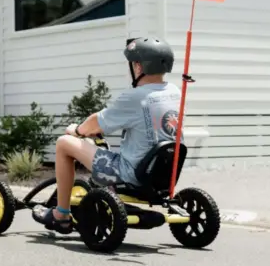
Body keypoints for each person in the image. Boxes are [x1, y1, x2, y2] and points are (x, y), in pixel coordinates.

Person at [32, 36, 181, 234]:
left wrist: (76, 131)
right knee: (97, 145)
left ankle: (62, 215)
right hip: (162, 174)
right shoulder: (175, 91)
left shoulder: (136, 96)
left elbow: (96, 123)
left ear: (138, 67)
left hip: (130, 173)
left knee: (63, 143)